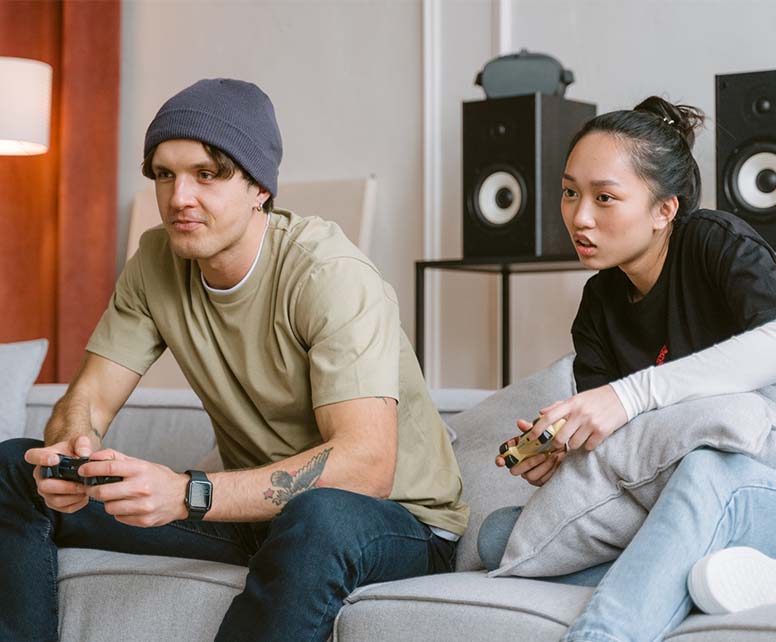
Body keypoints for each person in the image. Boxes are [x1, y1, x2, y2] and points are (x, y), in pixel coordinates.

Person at [0, 78, 468, 642]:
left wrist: (187, 493)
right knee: (14, 467)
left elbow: (366, 465)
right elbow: (90, 397)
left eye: (206, 175)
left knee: (319, 516)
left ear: (259, 190)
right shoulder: (155, 260)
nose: (179, 199)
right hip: (252, 515)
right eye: (166, 175)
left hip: (398, 522)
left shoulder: (329, 274)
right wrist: (72, 453)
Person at [478, 96, 776, 641]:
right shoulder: (598, 305)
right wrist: (565, 446)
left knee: (706, 468)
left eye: (605, 198)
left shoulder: (714, 242)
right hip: (668, 494)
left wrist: (632, 395)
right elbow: (621, 449)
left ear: (665, 209)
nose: (579, 217)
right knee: (499, 537)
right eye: (571, 192)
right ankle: (719, 573)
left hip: (753, 478)